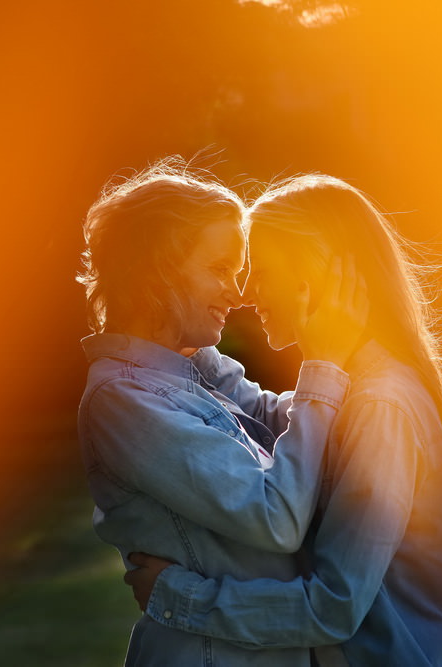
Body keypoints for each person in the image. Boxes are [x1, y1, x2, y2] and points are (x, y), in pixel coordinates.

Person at [125, 174, 442, 666]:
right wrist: (169, 324)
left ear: (321, 274)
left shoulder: (380, 406)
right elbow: (266, 414)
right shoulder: (353, 389)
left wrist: (180, 599)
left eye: (262, 272)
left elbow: (335, 607)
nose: (246, 293)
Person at [77, 158, 368, 665]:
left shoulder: (199, 364)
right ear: (156, 268)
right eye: (218, 270)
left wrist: (356, 363)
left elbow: (281, 421)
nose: (235, 294)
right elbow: (276, 516)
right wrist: (323, 362)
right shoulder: (120, 400)